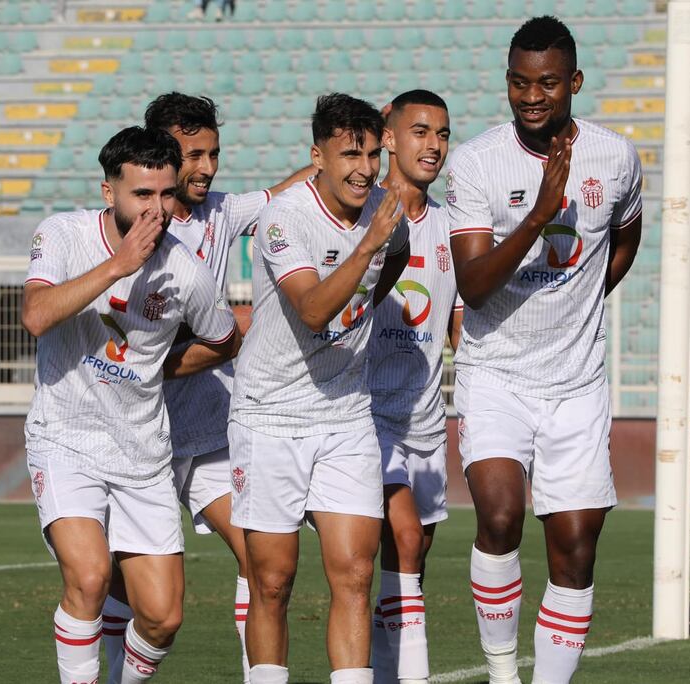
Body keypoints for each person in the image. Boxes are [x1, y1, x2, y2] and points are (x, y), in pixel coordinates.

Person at [444, 16, 643, 684]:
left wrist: (586, 294)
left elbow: (626, 236)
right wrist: (538, 214)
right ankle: (503, 674)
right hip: (495, 373)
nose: (532, 96)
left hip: (576, 383)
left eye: (548, 83)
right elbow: (473, 286)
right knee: (500, 516)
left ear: (574, 82)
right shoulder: (477, 162)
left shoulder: (616, 157)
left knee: (576, 549)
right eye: (519, 83)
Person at [99, 92, 310, 684]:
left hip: (204, 428)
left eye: (214, 153)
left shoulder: (221, 212)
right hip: (130, 430)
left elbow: (291, 189)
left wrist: (347, 152)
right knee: (119, 584)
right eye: (194, 155)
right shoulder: (123, 229)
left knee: (259, 558)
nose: (208, 167)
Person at [21, 126, 242, 684]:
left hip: (143, 452)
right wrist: (117, 266)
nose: (156, 209)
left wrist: (161, 367)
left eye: (166, 194)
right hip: (65, 438)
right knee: (90, 577)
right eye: (142, 194)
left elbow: (223, 339)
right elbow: (36, 316)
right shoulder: (63, 234)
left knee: (163, 618)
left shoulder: (185, 269)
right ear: (109, 191)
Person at [229, 93, 410, 684]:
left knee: (356, 573)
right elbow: (311, 310)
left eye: (373, 154)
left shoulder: (383, 209)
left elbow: (397, 255)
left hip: (346, 412)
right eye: (350, 155)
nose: (365, 169)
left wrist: (373, 264)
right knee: (273, 580)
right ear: (318, 157)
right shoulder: (285, 218)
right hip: (270, 414)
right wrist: (367, 246)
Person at [365, 89, 462, 684]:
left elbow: (460, 325)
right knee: (402, 540)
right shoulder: (364, 214)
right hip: (365, 415)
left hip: (425, 419)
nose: (434, 145)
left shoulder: (452, 227)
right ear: (390, 138)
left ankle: (384, 670)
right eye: (420, 131)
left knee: (412, 557)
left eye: (443, 134)